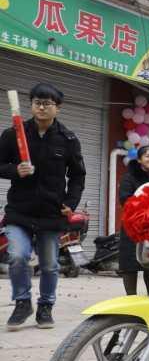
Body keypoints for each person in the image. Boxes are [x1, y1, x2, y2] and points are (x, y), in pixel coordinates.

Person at [1, 83, 86, 330]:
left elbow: (78, 176)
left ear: (57, 108)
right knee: (17, 257)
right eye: (37, 102)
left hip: (52, 213)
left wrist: (70, 204)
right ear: (31, 105)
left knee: (49, 264)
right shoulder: (13, 134)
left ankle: (46, 306)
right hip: (20, 211)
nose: (41, 107)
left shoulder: (68, 139)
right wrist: (14, 170)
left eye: (47, 103)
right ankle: (22, 302)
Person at [118, 146, 149, 297]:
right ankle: (131, 299)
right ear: (139, 160)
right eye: (147, 156)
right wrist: (146, 203)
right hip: (132, 225)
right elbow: (124, 199)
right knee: (130, 265)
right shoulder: (129, 177)